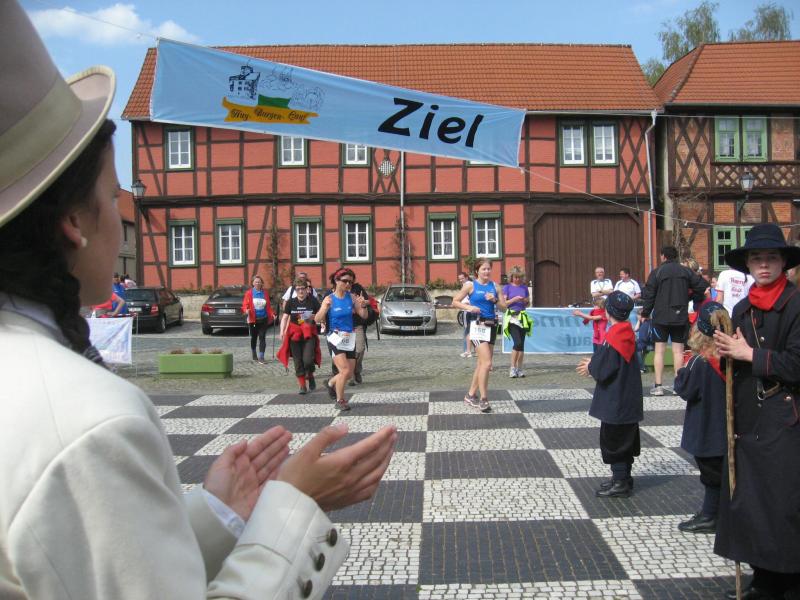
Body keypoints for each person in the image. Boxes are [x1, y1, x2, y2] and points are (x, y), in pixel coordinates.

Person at [0, 5, 397, 597]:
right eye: (112, 194)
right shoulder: (89, 419)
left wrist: (216, 515)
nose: (122, 213)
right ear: (74, 223)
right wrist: (295, 504)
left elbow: (83, 568)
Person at [711, 224, 800, 600]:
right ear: (747, 264)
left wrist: (749, 354)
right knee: (752, 499)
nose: (764, 265)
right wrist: (723, 355)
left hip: (786, 416)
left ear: (783, 263)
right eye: (757, 258)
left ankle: (791, 580)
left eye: (771, 258)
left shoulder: (796, 304)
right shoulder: (742, 308)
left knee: (784, 502)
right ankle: (764, 577)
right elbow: (735, 362)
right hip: (749, 415)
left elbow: (796, 363)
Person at [577, 291, 643, 499]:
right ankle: (622, 478)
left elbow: (605, 368)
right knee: (625, 439)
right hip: (627, 397)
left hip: (616, 399)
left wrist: (591, 366)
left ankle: (621, 482)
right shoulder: (626, 331)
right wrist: (595, 363)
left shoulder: (614, 336)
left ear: (608, 312)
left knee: (614, 441)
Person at [673, 302, 727, 535]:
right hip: (724, 426)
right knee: (720, 471)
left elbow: (685, 389)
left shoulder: (699, 361)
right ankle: (718, 511)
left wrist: (681, 372)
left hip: (705, 426)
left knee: (711, 475)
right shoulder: (728, 356)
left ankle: (711, 515)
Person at [640, 246, 708, 396]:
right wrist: (690, 297)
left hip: (660, 317)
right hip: (680, 316)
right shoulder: (685, 271)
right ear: (676, 256)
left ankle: (658, 386)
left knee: (659, 350)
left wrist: (645, 313)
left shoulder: (657, 272)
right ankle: (678, 385)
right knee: (678, 351)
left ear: (663, 256)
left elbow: (649, 295)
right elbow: (702, 286)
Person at [452, 259, 507, 413]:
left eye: (488, 269)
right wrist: (470, 307)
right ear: (477, 271)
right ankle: (484, 399)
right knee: (487, 364)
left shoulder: (495, 286)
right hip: (477, 326)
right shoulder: (470, 285)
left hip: (491, 325)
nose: (486, 271)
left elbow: (504, 308)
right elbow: (455, 301)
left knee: (482, 364)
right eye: (483, 269)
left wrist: (494, 300)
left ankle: (470, 395)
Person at [315, 268, 368, 411]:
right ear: (337, 281)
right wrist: (324, 309)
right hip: (334, 337)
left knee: (349, 373)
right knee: (344, 370)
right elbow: (317, 319)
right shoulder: (329, 299)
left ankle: (331, 383)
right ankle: (340, 400)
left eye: (351, 281)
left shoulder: (352, 297)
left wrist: (363, 306)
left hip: (349, 337)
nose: (348, 284)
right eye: (345, 281)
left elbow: (364, 316)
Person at [278, 277, 322, 394]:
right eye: (298, 289)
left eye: (303, 288)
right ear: (295, 290)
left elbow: (321, 315)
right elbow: (285, 317)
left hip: (309, 334)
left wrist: (314, 317)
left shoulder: (313, 301)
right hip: (294, 335)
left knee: (308, 360)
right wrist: (282, 332)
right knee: (298, 361)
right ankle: (302, 386)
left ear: (307, 289)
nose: (301, 291)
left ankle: (310, 375)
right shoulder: (291, 302)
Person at [502, 266, 532, 377]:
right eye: (515, 277)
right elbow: (504, 304)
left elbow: (528, 303)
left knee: (521, 345)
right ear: (511, 277)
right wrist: (514, 299)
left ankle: (519, 369)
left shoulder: (524, 288)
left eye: (519, 277)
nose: (517, 279)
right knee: (517, 342)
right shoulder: (507, 287)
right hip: (512, 318)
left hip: (522, 316)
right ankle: (512, 368)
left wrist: (525, 301)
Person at [242, 274, 273, 363]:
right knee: (254, 337)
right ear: (253, 283)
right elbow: (245, 305)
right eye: (256, 282)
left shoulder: (265, 293)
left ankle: (261, 357)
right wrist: (246, 310)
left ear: (262, 283)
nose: (257, 283)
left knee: (262, 337)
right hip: (253, 320)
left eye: (259, 282)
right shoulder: (249, 293)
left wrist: (272, 314)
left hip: (263, 319)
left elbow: (268, 306)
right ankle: (254, 353)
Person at [457, 271, 474, 358]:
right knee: (472, 330)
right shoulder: (472, 284)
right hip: (471, 310)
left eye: (462, 278)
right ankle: (475, 350)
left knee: (467, 331)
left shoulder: (467, 285)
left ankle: (468, 351)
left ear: (466, 277)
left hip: (466, 310)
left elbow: (466, 299)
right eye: (459, 279)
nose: (461, 280)